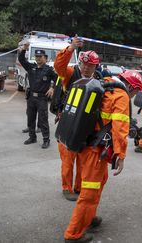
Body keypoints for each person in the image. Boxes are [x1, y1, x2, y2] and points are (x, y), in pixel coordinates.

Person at [57, 43, 142, 242]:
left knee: (99, 183)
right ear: (131, 87)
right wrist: (121, 156)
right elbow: (120, 129)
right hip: (94, 151)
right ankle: (74, 233)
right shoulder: (120, 95)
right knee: (89, 189)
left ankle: (89, 217)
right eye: (135, 92)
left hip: (85, 144)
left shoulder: (101, 82)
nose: (133, 96)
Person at [53, 37, 98, 201]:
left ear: (95, 66)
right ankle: (66, 187)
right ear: (80, 62)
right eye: (84, 64)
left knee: (82, 160)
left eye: (90, 65)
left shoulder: (97, 79)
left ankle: (79, 187)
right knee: (67, 158)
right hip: (68, 122)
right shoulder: (71, 73)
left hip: (85, 126)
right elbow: (59, 67)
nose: (86, 67)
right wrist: (70, 48)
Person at [18, 43, 57, 149]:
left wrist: (52, 87)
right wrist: (24, 49)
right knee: (30, 118)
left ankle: (46, 139)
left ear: (45, 58)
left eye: (40, 57)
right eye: (37, 57)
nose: (38, 58)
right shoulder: (31, 67)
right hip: (31, 97)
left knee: (43, 119)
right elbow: (22, 60)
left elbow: (59, 79)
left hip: (42, 98)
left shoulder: (49, 70)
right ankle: (32, 137)